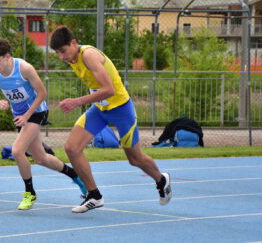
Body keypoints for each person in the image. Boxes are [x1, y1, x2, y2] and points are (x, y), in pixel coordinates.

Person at [50, 26, 172, 213]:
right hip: (100, 109)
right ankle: (94, 195)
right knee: (71, 148)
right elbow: (98, 90)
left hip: (121, 109)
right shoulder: (73, 58)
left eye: (63, 51)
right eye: (57, 53)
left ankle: (161, 180)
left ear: (73, 43)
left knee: (135, 159)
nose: (61, 57)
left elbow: (109, 90)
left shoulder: (88, 55)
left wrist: (77, 101)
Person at [0, 39, 87, 210]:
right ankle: (75, 176)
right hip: (20, 115)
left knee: (17, 151)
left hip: (36, 111)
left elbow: (42, 93)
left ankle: (30, 193)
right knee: (41, 158)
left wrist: (27, 115)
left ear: (7, 57)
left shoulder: (24, 68)